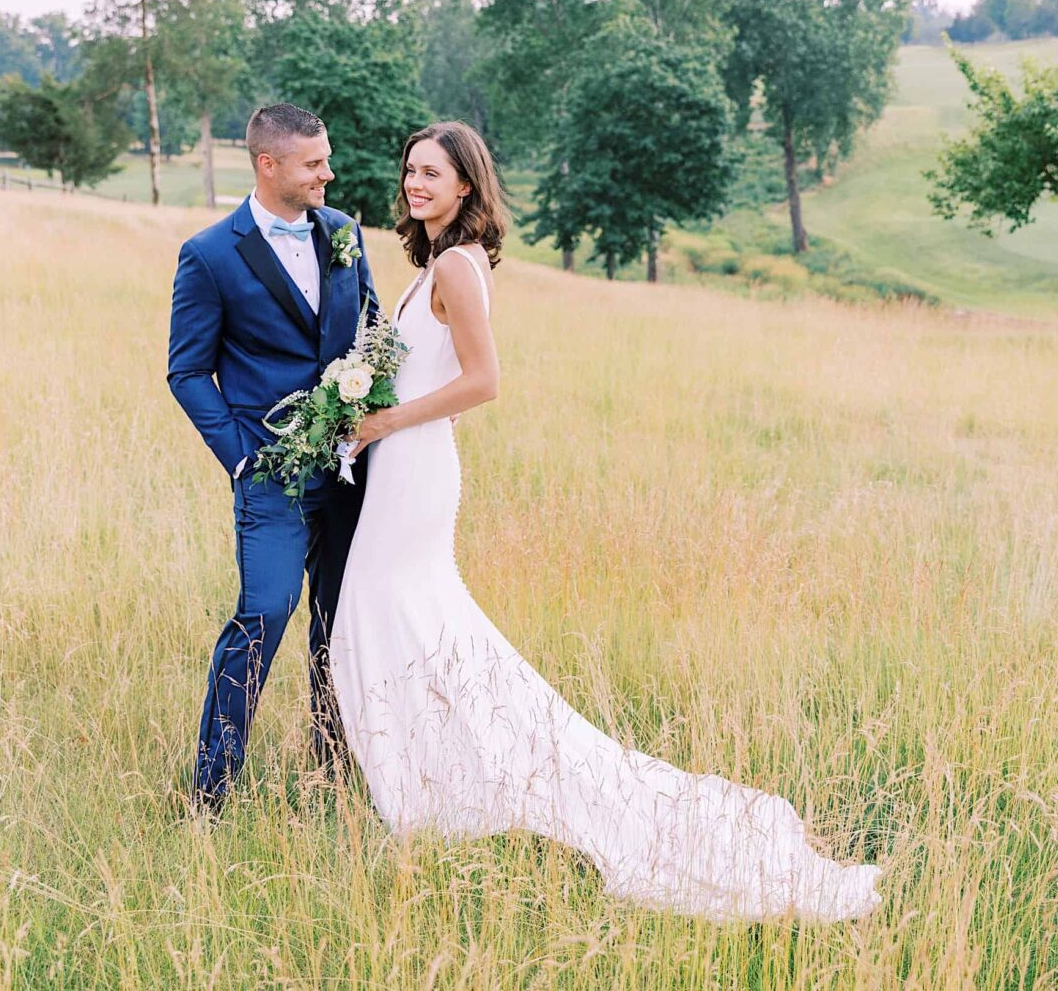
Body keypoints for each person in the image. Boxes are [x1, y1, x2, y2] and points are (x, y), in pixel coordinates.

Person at [329, 121, 883, 922]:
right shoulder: (435, 262)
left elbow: (485, 382)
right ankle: (441, 770)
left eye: (433, 174)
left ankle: (451, 779)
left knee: (388, 612)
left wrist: (388, 421)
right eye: (410, 170)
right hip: (406, 462)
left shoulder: (455, 262)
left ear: (466, 187)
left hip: (410, 466)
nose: (416, 183)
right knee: (399, 618)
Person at [167, 103, 376, 816]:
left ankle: (334, 776)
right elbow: (187, 372)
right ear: (269, 165)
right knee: (262, 617)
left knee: (342, 626)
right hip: (271, 477)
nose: (329, 172)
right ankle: (211, 792)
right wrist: (240, 459)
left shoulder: (345, 233)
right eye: (315, 163)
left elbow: (373, 334)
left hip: (352, 477)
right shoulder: (210, 255)